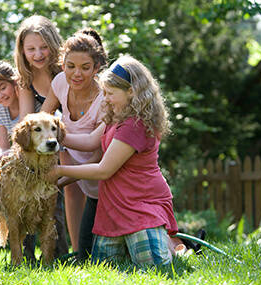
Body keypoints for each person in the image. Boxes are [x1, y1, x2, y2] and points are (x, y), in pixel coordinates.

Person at [48, 55, 179, 267]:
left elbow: (103, 170)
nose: (105, 98)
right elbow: (92, 142)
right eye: (104, 93)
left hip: (140, 205)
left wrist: (58, 170)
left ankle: (175, 247)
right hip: (113, 207)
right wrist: (53, 135)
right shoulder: (116, 115)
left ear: (131, 92)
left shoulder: (134, 125)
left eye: (110, 94)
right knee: (103, 268)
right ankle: (166, 243)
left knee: (152, 265)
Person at [41, 28, 107, 260]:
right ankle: (78, 252)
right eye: (70, 66)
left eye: (85, 67)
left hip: (106, 183)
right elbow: (43, 117)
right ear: (62, 65)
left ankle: (178, 242)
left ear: (97, 68)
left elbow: (97, 155)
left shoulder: (105, 99)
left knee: (108, 252)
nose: (76, 74)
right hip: (75, 172)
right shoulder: (60, 83)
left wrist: (58, 177)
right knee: (85, 254)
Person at [13, 15, 68, 259]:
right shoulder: (25, 80)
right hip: (45, 145)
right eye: (31, 49)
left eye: (44, 47)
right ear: (22, 51)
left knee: (58, 199)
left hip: (71, 140)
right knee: (32, 183)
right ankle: (27, 252)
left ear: (54, 45)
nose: (38, 54)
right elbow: (27, 119)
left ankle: (63, 252)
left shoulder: (68, 71)